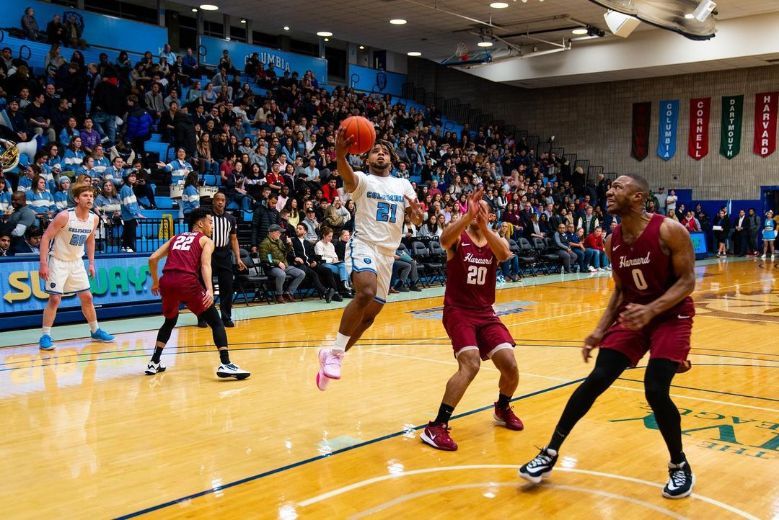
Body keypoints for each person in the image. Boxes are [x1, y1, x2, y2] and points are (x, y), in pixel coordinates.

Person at [519, 174, 697, 500]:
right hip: (634, 315)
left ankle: (679, 464)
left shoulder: (670, 230)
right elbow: (620, 290)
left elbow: (687, 282)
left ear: (639, 197)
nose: (610, 191)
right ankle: (549, 452)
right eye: (610, 187)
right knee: (597, 378)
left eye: (618, 187)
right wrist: (599, 329)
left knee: (656, 390)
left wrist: (652, 309)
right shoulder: (612, 240)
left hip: (671, 315)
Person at [316, 131, 424, 391]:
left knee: (368, 318)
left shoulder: (404, 185)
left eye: (385, 151)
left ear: (391, 159)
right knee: (365, 291)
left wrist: (418, 214)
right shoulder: (363, 180)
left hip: (388, 253)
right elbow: (347, 175)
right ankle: (335, 355)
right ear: (367, 159)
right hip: (364, 243)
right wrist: (341, 154)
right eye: (375, 150)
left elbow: (416, 219)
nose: (381, 153)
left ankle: (332, 355)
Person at [421, 189, 521, 451]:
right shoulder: (458, 237)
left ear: (490, 215)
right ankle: (436, 426)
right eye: (475, 209)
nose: (478, 213)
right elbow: (443, 240)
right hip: (458, 311)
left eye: (482, 210)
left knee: (510, 365)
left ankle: (502, 407)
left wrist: (485, 226)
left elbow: (503, 255)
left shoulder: (495, 240)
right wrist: (467, 217)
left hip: (486, 313)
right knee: (471, 364)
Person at [145, 207, 249, 379]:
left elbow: (152, 258)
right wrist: (209, 289)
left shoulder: (175, 237)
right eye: (210, 222)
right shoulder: (206, 240)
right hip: (187, 282)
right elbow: (206, 265)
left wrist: (156, 282)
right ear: (200, 224)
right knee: (216, 322)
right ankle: (226, 363)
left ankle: (154, 362)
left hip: (167, 282)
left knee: (170, 321)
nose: (212, 226)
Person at [38, 183, 115, 350]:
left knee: (87, 297)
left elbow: (90, 240)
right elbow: (45, 238)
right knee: (55, 299)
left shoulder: (94, 218)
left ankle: (95, 330)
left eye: (91, 196)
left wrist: (92, 263)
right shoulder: (64, 216)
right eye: (85, 195)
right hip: (58, 261)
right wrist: (43, 263)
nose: (90, 198)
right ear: (76, 199)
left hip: (76, 262)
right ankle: (45, 335)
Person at [196, 192, 245, 328]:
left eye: (223, 200)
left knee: (228, 286)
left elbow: (234, 239)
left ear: (225, 202)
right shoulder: (207, 218)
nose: (220, 202)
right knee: (205, 286)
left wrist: (238, 258)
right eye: (217, 199)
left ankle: (226, 316)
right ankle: (202, 317)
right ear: (213, 201)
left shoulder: (231, 219)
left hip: (224, 254)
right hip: (208, 253)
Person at [259, 224, 306, 303]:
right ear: (272, 233)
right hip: (271, 267)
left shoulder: (279, 241)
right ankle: (279, 295)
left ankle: (288, 293)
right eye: (279, 232)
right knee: (281, 274)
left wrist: (289, 244)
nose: (280, 234)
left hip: (284, 265)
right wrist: (278, 262)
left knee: (301, 273)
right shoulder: (265, 244)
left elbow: (286, 251)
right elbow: (266, 259)